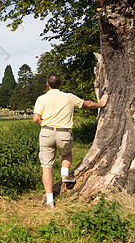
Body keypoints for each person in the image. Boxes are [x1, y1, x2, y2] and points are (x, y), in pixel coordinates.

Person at [33, 74, 108, 208]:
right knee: (67, 154)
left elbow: (35, 118)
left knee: (46, 167)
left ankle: (50, 201)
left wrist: (46, 124)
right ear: (60, 84)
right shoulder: (69, 97)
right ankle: (64, 174)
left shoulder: (42, 98)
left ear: (47, 84)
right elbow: (87, 104)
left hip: (46, 132)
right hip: (63, 133)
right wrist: (101, 104)